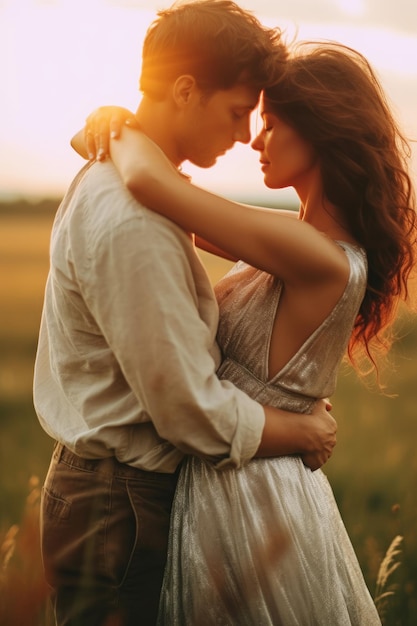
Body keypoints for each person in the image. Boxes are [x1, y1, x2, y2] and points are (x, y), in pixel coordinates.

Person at [79, 41, 416, 624]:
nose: (255, 141)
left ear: (320, 132)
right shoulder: (293, 237)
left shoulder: (316, 253)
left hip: (248, 494)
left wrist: (121, 128)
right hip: (242, 471)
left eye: (273, 125)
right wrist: (112, 130)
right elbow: (170, 204)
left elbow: (155, 188)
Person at [34, 3, 338, 626]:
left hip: (109, 493)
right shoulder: (134, 220)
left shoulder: (121, 174)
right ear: (184, 88)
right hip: (119, 504)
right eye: (235, 112)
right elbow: (187, 408)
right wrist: (300, 430)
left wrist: (117, 128)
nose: (241, 135)